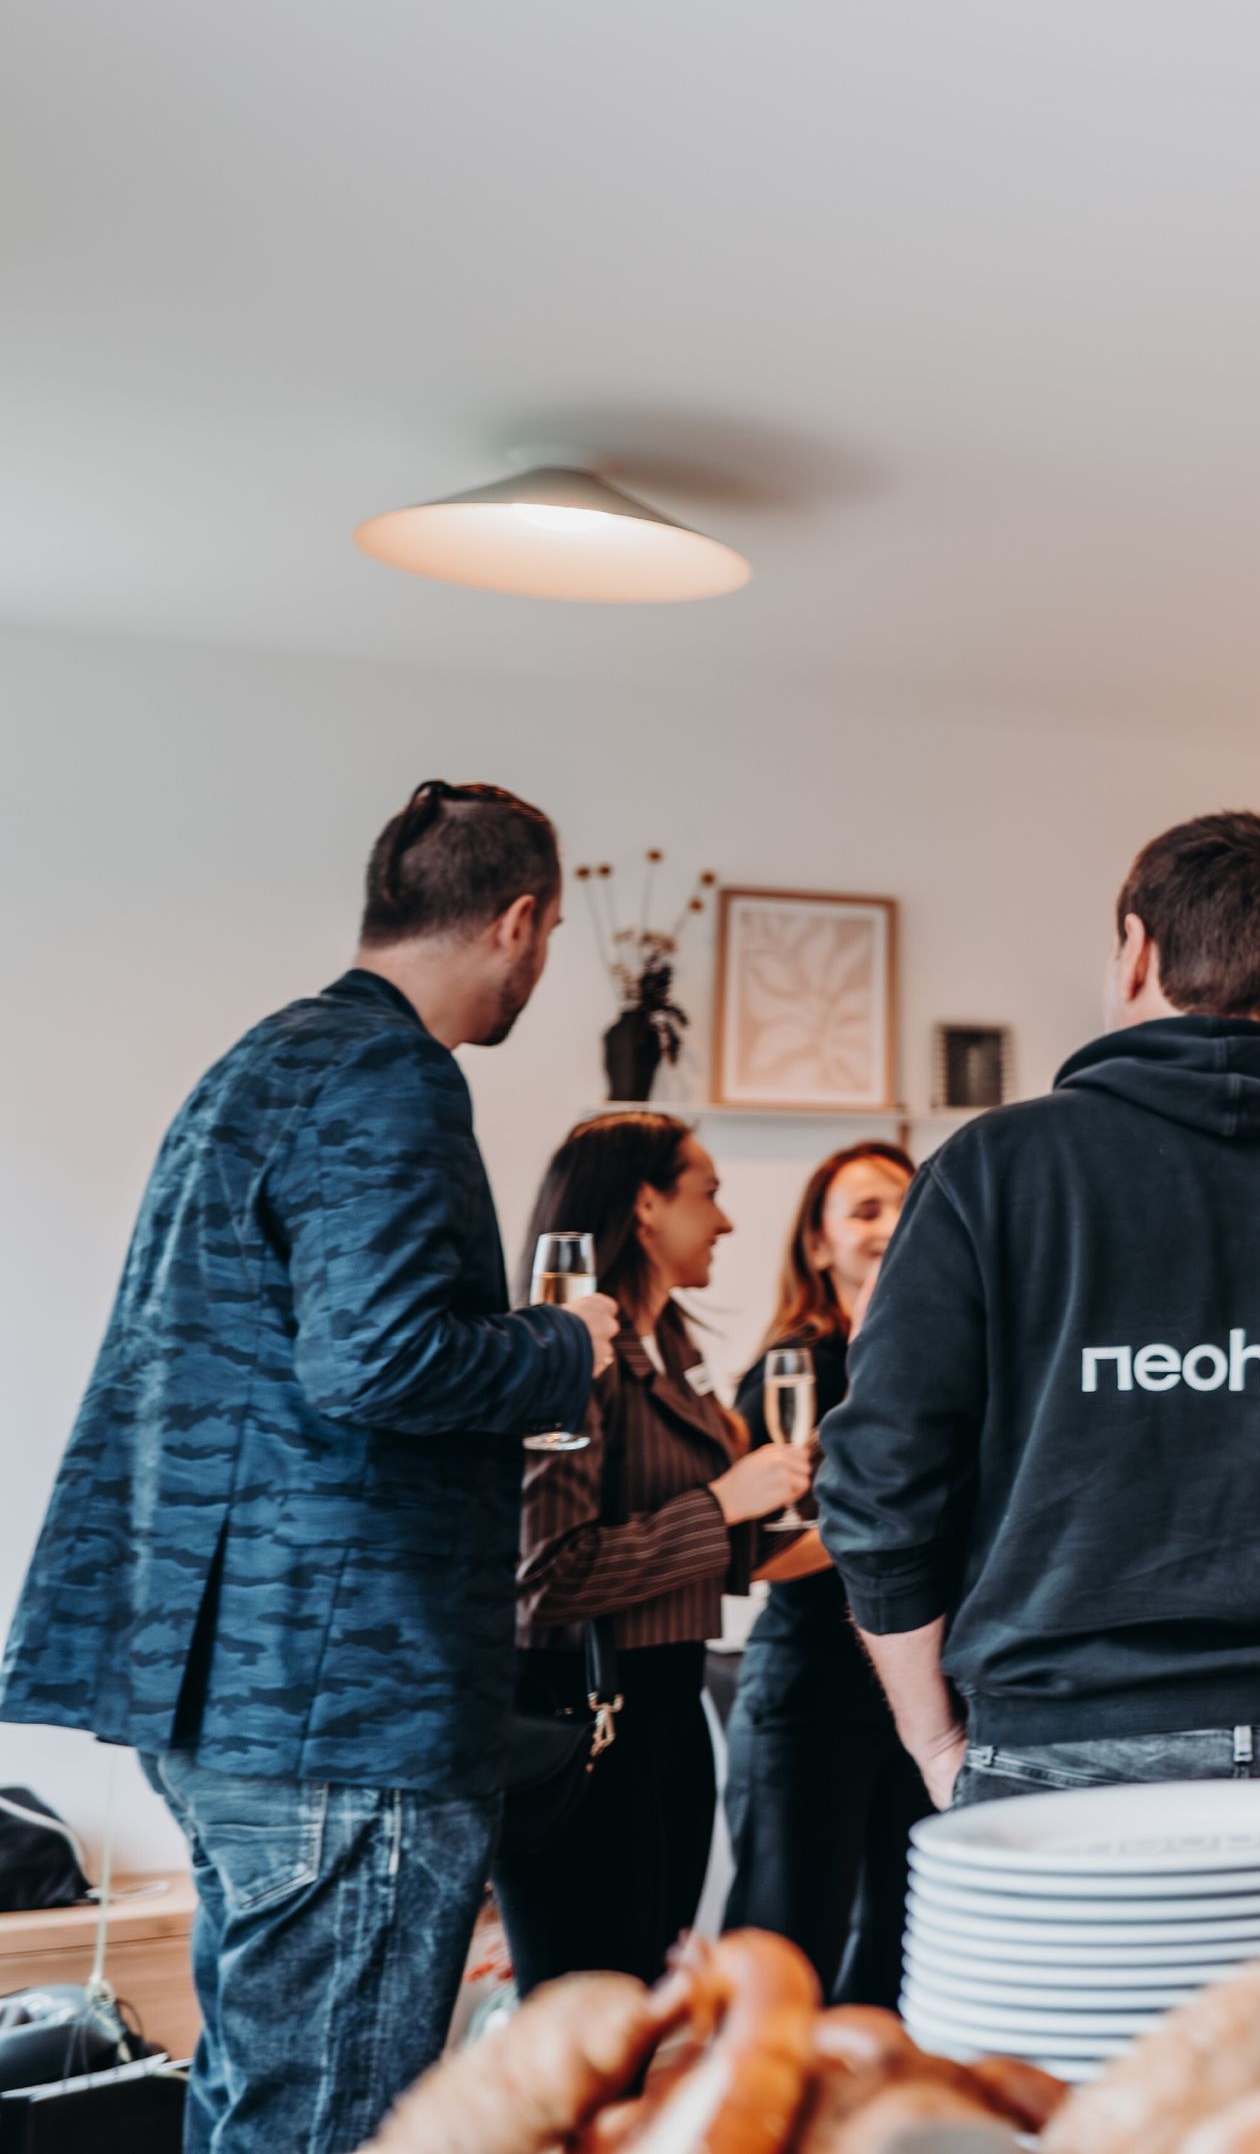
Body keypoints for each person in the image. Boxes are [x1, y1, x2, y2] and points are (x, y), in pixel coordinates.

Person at [0, 781, 616, 2154]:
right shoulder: (392, 1076)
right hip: (343, 1703)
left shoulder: (264, 1062)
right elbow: (380, 1363)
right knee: (334, 2117)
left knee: (259, 2097)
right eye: (554, 931)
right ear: (519, 921)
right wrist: (563, 1344)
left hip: (232, 1687)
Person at [820, 810, 1260, 1808]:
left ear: (1136, 950)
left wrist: (932, 1740)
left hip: (1054, 1736)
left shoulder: (993, 1169)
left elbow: (880, 1478)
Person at [491, 1114, 816, 1986]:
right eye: (707, 1193)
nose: (726, 1221)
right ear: (644, 1204)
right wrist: (724, 1499)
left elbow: (715, 1550)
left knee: (648, 1993)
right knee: (593, 2008)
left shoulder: (671, 1347)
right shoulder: (571, 1352)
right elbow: (543, 1577)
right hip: (585, 1722)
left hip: (666, 1705)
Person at [720, 1139, 927, 2009]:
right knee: (786, 1936)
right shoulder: (791, 1370)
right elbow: (756, 1552)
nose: (887, 1226)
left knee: (905, 1940)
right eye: (864, 1209)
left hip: (916, 1689)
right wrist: (891, 1532)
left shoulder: (934, 1368)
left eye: (902, 1205)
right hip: (811, 1685)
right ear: (818, 1243)